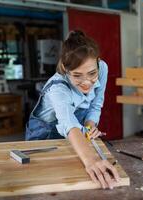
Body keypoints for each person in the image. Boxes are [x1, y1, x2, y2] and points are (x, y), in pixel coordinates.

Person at [25, 30, 120, 189]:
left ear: (97, 62)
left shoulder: (102, 68)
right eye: (77, 75)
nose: (87, 82)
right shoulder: (58, 89)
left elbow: (96, 104)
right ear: (64, 68)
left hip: (76, 133)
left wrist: (90, 126)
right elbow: (69, 123)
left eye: (92, 73)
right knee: (48, 183)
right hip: (44, 135)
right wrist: (91, 160)